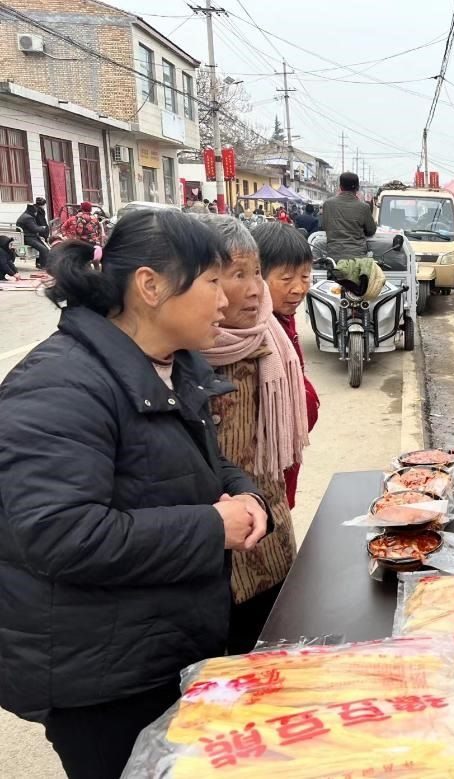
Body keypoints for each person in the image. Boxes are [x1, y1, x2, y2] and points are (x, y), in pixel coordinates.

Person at [0, 208, 269, 778]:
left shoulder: (172, 365)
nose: (227, 299)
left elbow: (198, 463)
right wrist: (212, 528)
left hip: (163, 645)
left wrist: (244, 494)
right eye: (213, 281)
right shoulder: (59, 385)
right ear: (150, 286)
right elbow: (61, 534)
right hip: (102, 677)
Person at [194, 214, 309, 654]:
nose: (254, 289)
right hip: (213, 540)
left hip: (268, 522)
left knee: (272, 642)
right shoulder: (182, 352)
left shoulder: (270, 337)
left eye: (256, 273)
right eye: (235, 274)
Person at [251, 221, 320, 508]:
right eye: (287, 278)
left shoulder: (283, 322)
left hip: (288, 460)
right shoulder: (255, 333)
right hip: (264, 470)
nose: (299, 288)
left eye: (305, 276)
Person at [321, 171, 376, 259]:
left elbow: (324, 226)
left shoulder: (328, 204)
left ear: (340, 187)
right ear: (357, 188)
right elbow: (371, 230)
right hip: (358, 256)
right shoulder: (364, 207)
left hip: (334, 255)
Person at [16, 202, 49, 269]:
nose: (36, 213)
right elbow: (34, 228)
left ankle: (40, 263)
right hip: (28, 237)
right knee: (44, 249)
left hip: (30, 236)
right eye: (36, 212)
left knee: (45, 247)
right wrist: (43, 228)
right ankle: (44, 266)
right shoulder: (28, 218)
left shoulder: (26, 215)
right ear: (33, 211)